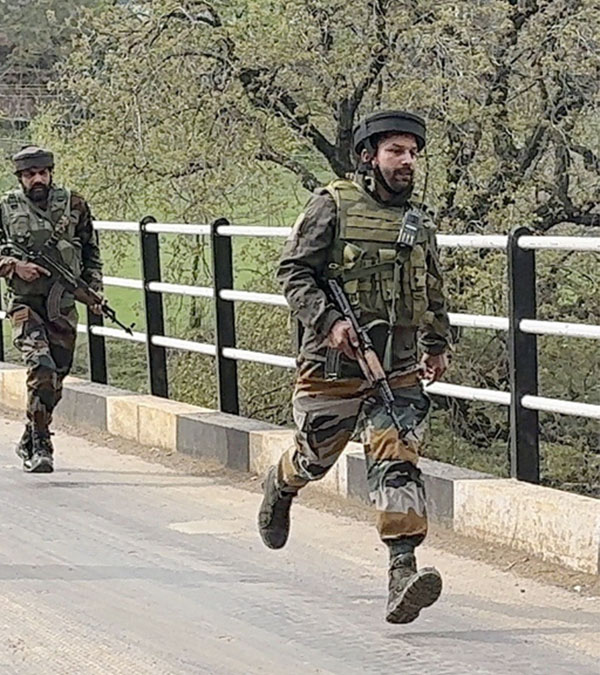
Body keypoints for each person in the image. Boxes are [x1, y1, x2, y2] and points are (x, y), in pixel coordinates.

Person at [262, 110, 452, 623]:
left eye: (413, 153)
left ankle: (402, 570)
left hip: (399, 368)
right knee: (316, 457)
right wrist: (329, 323)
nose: (407, 162)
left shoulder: (419, 221)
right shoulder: (332, 205)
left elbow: (431, 288)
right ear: (369, 157)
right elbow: (294, 271)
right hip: (334, 365)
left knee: (398, 459)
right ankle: (281, 484)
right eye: (396, 151)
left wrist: (438, 343)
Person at [0, 146, 104, 473]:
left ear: (51, 174)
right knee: (41, 367)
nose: (38, 180)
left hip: (62, 306)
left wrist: (94, 292)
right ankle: (43, 443)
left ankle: (30, 433)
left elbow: (90, 253)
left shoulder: (74, 205)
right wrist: (13, 266)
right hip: (25, 305)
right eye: (31, 175)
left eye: (43, 173)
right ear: (20, 178)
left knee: (55, 379)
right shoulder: (4, 209)